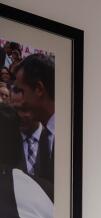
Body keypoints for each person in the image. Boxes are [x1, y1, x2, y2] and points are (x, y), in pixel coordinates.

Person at [10, 53, 53, 186]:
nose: (22, 103)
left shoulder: (54, 138)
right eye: (17, 110)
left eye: (22, 91)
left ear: (39, 89)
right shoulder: (7, 140)